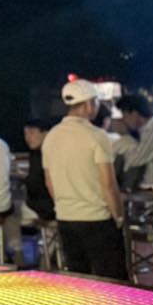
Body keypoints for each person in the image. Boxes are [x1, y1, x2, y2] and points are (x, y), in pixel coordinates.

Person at [42, 81, 128, 280]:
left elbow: (49, 182)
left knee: (79, 281)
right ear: (89, 104)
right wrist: (118, 216)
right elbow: (108, 183)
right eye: (96, 102)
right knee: (113, 281)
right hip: (97, 219)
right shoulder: (97, 136)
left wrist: (64, 206)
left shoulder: (51, 136)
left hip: (66, 218)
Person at [115, 94, 153, 190]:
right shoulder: (149, 130)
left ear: (134, 114)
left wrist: (126, 135)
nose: (123, 120)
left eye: (124, 115)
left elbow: (134, 160)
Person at [22, 118, 56, 223]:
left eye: (31, 133)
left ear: (46, 133)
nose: (27, 138)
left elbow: (35, 183)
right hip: (51, 205)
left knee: (12, 210)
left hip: (47, 206)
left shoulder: (44, 153)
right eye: (25, 134)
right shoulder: (36, 152)